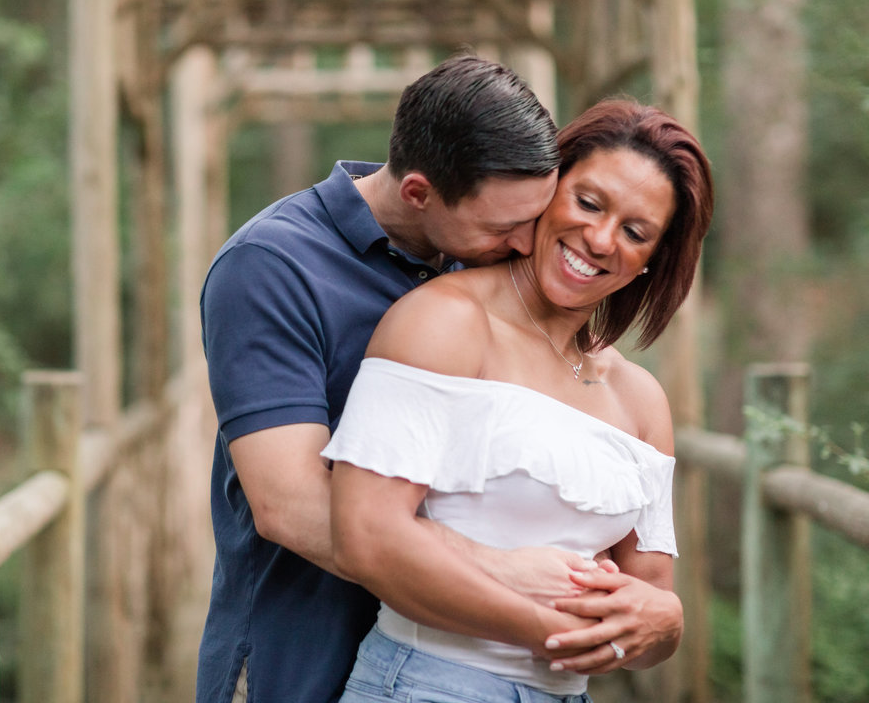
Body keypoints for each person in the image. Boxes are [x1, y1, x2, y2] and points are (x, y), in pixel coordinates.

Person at [196, 54, 681, 703]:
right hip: (301, 636)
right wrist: (502, 572)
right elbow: (287, 505)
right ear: (420, 194)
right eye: (506, 228)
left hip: (441, 640)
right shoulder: (270, 267)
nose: (522, 246)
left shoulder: (470, 254)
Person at [323, 98, 714, 703]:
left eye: (635, 232)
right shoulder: (444, 321)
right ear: (548, 189)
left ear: (650, 262)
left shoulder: (640, 398)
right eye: (588, 202)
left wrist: (668, 624)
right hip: (428, 684)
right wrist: (549, 634)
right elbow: (367, 536)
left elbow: (654, 598)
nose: (601, 238)